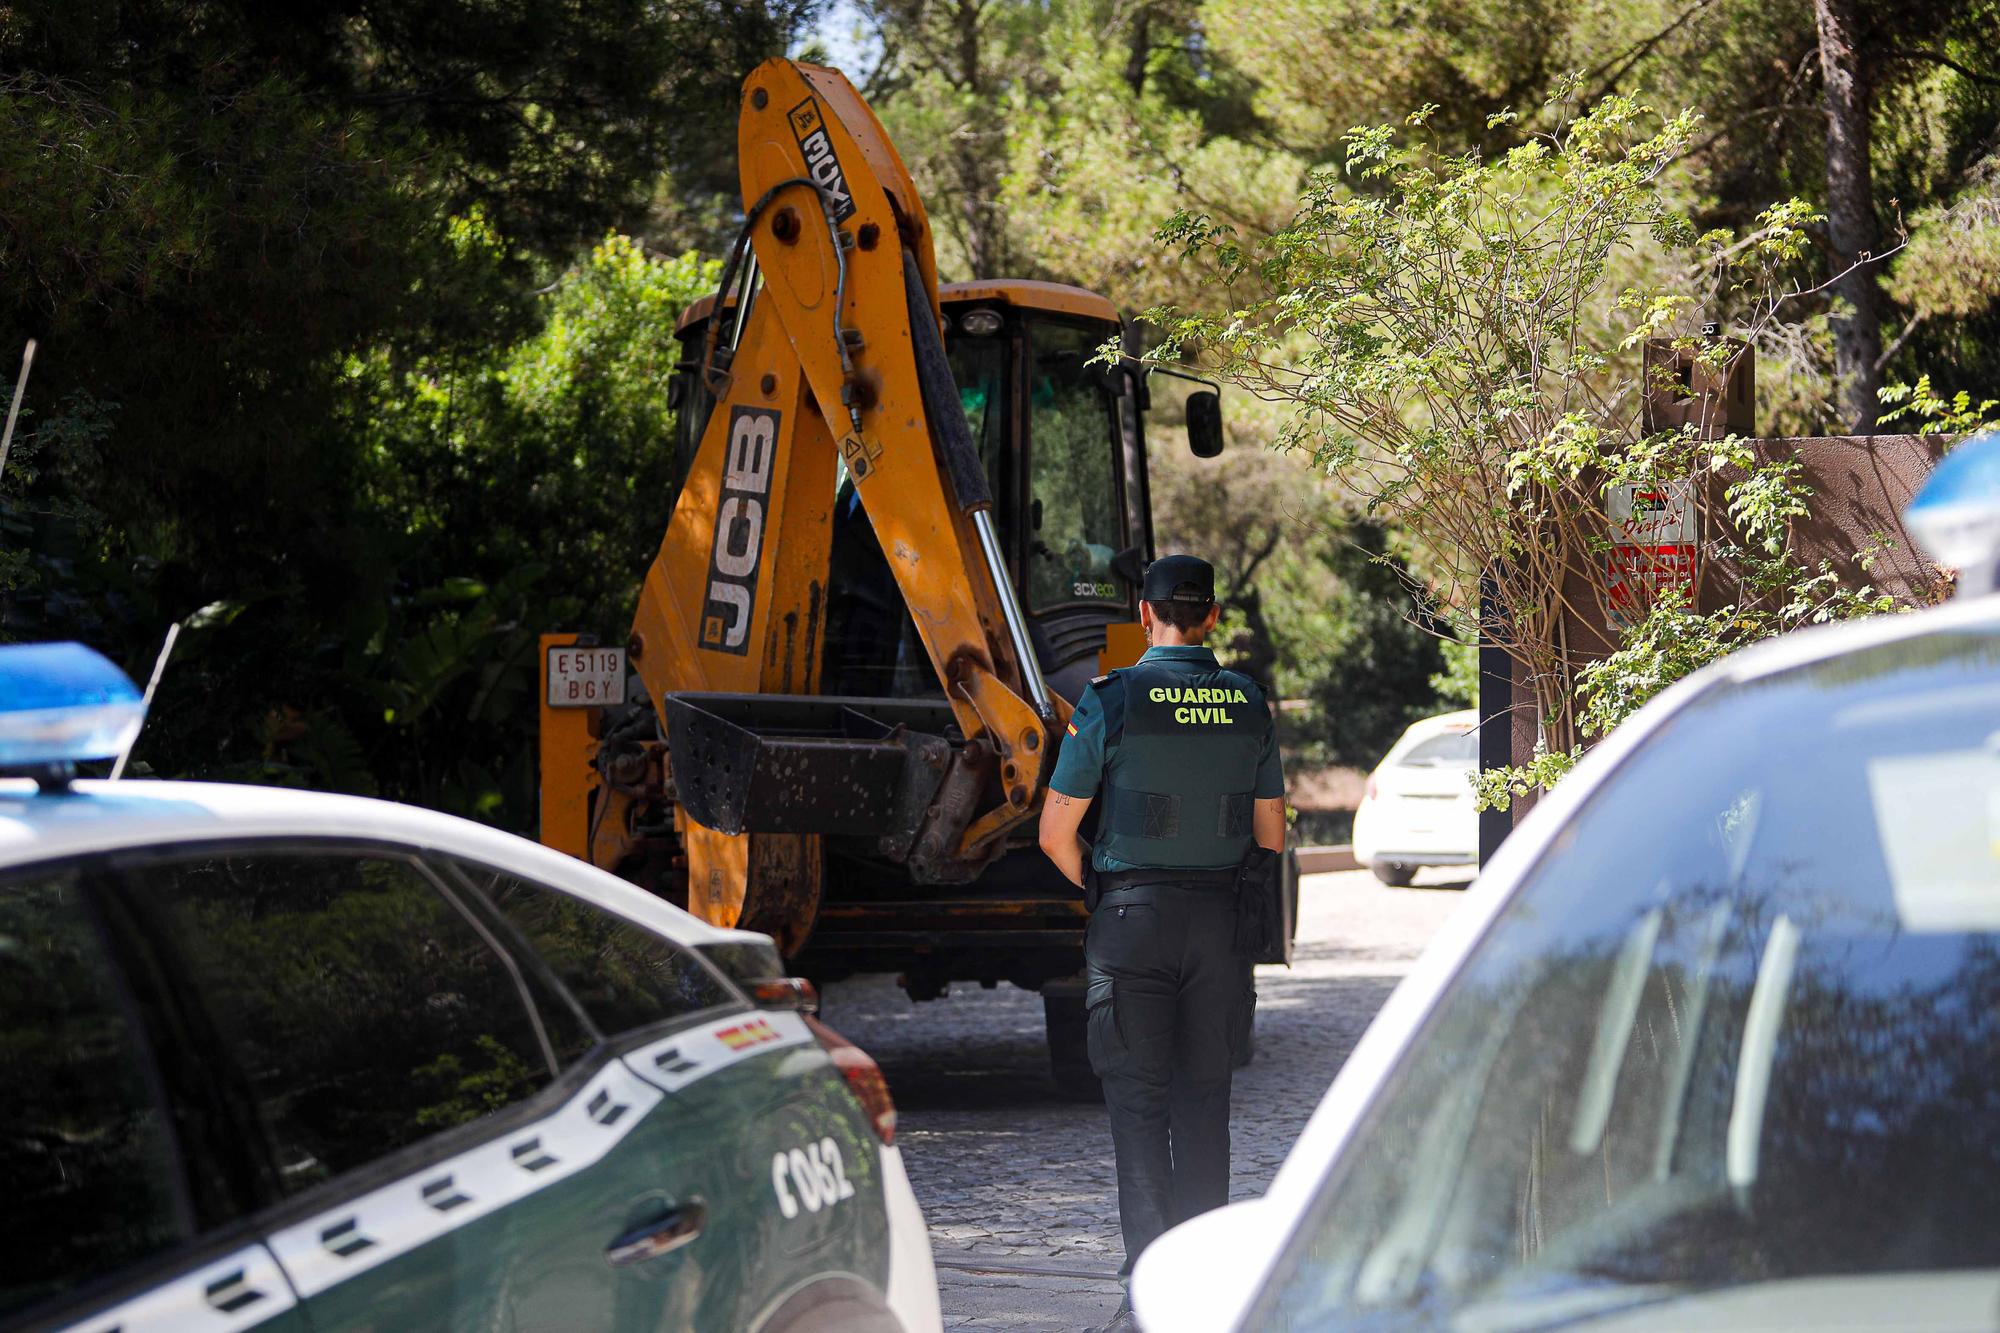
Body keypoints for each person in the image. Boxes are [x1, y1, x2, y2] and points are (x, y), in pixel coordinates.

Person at [1038, 554, 1286, 1330]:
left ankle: (1148, 1291)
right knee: (1204, 1104)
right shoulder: (1247, 703)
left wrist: (1113, 888)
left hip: (1131, 925)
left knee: (1138, 1108)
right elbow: (1270, 836)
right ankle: (1207, 1287)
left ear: (1143, 617)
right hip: (1218, 929)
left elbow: (1055, 834)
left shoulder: (1109, 700)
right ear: (1211, 616)